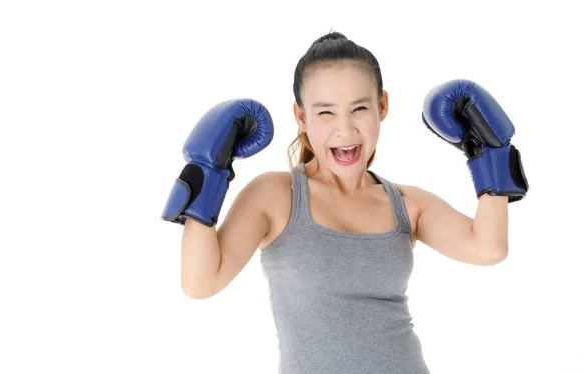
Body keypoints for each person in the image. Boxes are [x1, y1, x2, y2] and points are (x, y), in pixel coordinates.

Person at [162, 31, 528, 374]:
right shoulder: (275, 195)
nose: (345, 129)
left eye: (359, 108)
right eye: (325, 112)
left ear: (382, 106)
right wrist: (209, 172)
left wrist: (490, 154)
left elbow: (488, 248)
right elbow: (200, 283)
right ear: (301, 117)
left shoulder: (406, 203)